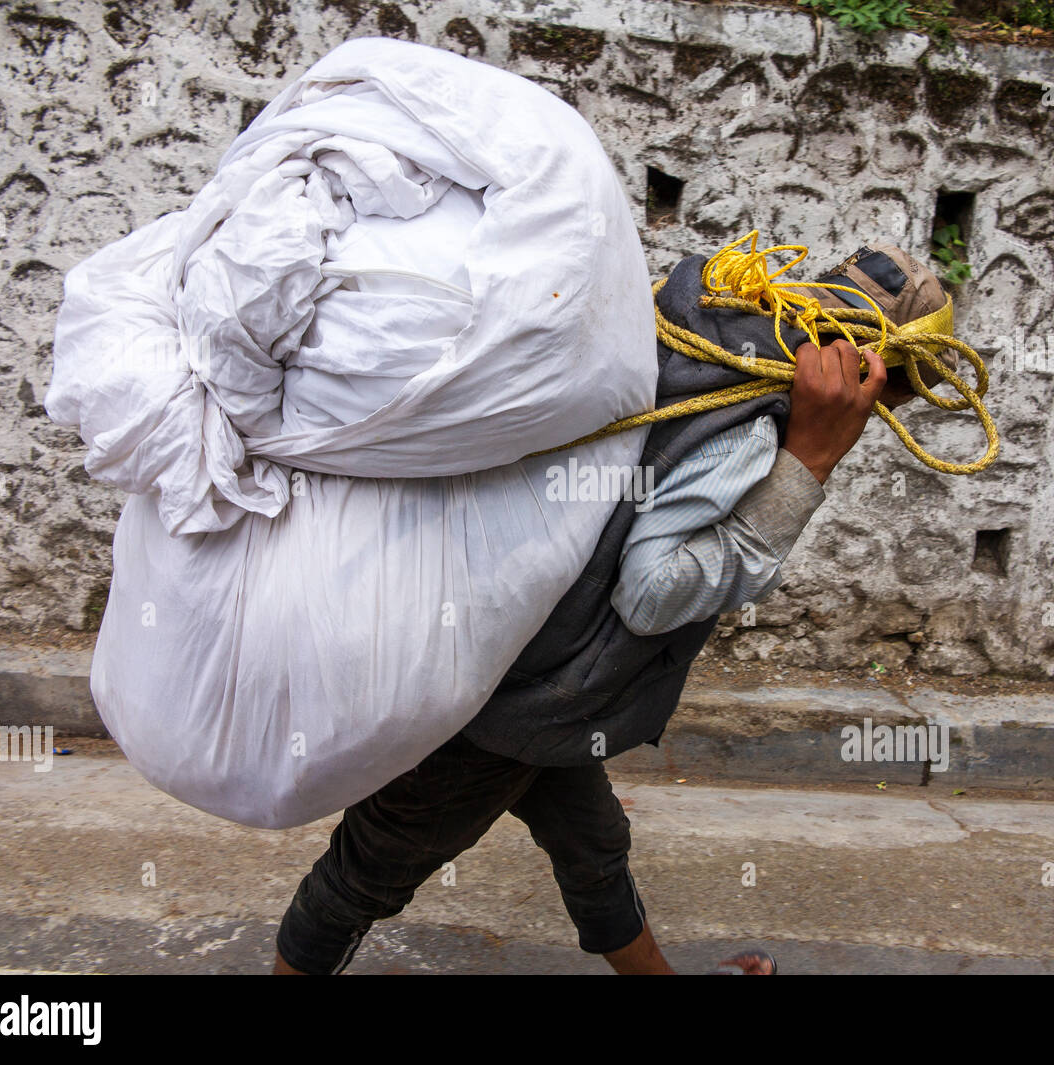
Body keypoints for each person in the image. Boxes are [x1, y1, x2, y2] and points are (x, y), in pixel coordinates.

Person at [272, 243, 951, 975]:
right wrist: (809, 463)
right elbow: (652, 593)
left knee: (593, 845)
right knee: (366, 869)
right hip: (506, 695)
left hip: (541, 682)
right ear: (870, 374)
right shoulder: (751, 420)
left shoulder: (691, 319)